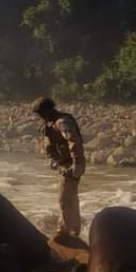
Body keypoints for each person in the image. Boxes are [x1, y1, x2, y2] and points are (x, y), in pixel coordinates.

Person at [32, 96, 85, 237]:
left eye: (42, 114)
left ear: (49, 110)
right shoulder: (51, 124)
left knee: (65, 199)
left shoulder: (63, 122)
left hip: (71, 164)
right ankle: (70, 230)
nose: (41, 117)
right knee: (70, 198)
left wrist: (76, 164)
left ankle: (68, 233)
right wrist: (54, 161)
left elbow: (73, 141)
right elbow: (49, 147)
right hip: (64, 164)